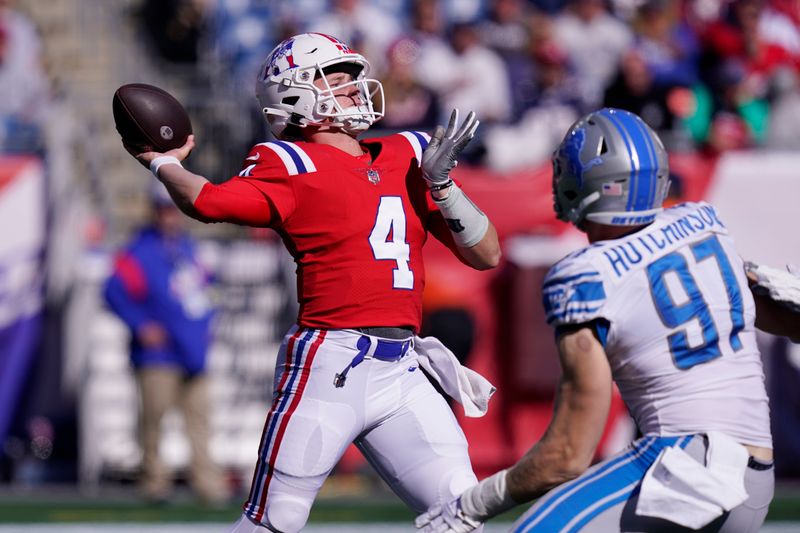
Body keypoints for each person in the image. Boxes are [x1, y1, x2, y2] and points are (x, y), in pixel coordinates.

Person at [122, 32, 501, 532]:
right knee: (275, 520)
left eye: (351, 79)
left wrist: (443, 185)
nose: (354, 89)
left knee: (461, 509)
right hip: (330, 365)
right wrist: (165, 163)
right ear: (296, 96)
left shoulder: (409, 153)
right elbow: (208, 201)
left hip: (404, 370)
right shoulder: (287, 162)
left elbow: (487, 253)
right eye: (337, 80)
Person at [415, 108, 800, 532]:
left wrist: (471, 504)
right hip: (755, 474)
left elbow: (567, 455)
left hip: (684, 470)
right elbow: (785, 319)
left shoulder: (586, 275)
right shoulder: (703, 227)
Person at [103, 179, 228, 505]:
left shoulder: (189, 249)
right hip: (158, 355)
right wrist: (140, 324)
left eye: (173, 210)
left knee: (200, 422)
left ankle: (208, 483)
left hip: (193, 350)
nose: (169, 217)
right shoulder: (139, 250)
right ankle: (155, 482)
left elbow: (208, 291)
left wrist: (206, 325)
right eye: (163, 210)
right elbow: (114, 291)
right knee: (154, 421)